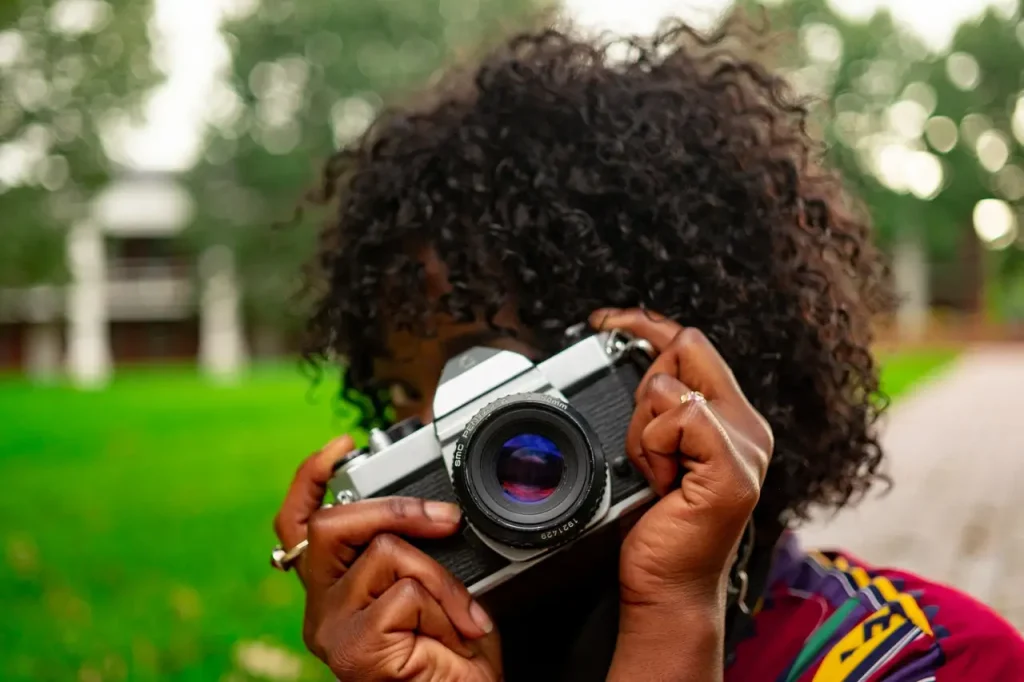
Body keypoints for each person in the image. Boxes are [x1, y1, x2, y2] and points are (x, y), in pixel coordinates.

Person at [270, 17, 1024, 682]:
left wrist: (674, 609)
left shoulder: (936, 662)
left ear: (673, 375)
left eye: (500, 398)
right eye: (411, 406)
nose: (461, 455)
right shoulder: (431, 660)